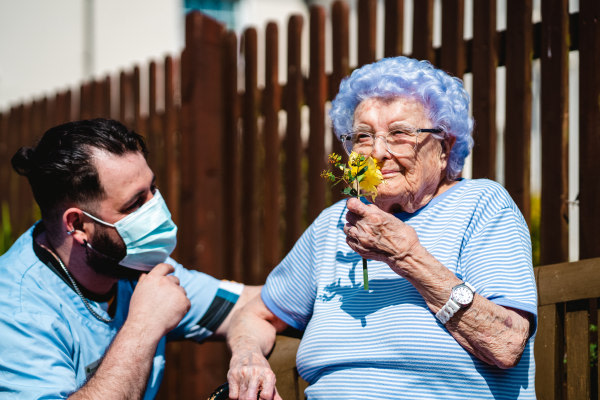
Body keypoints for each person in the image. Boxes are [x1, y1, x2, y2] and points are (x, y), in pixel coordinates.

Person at [226, 56, 537, 399]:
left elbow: (507, 344)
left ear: (445, 148)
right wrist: (247, 355)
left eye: (400, 133)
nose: (377, 152)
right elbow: (258, 315)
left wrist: (407, 258)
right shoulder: (333, 225)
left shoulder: (481, 205)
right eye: (363, 136)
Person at [0, 118, 260, 399]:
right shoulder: (17, 311)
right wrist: (144, 325)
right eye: (135, 203)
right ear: (76, 225)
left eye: (153, 189)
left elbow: (257, 304)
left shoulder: (132, 267)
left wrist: (247, 350)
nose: (158, 209)